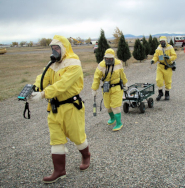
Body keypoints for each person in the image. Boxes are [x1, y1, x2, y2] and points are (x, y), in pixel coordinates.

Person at [29, 35, 90, 183]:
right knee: (56, 139)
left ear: (64, 48)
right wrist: (34, 89)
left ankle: (86, 155)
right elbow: (42, 78)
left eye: (57, 48)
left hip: (72, 107)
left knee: (77, 136)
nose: (54, 51)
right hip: (55, 108)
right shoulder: (53, 64)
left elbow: (63, 84)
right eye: (52, 48)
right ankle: (59, 170)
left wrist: (44, 94)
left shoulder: (74, 64)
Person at [91, 48, 128, 131]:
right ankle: (112, 118)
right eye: (107, 58)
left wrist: (125, 83)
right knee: (108, 106)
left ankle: (119, 123)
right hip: (106, 89)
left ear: (113, 57)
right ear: (104, 58)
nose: (108, 59)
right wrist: (94, 89)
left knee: (115, 106)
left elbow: (122, 75)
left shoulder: (118, 63)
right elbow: (96, 78)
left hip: (117, 87)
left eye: (110, 58)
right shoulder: (101, 65)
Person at [151, 36, 177, 101]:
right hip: (160, 66)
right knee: (158, 80)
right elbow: (156, 56)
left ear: (166, 41)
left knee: (168, 81)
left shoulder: (170, 47)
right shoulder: (159, 48)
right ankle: (160, 93)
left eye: (163, 41)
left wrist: (169, 58)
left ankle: (167, 94)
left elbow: (174, 56)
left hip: (168, 66)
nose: (162, 43)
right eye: (161, 41)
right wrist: (153, 60)